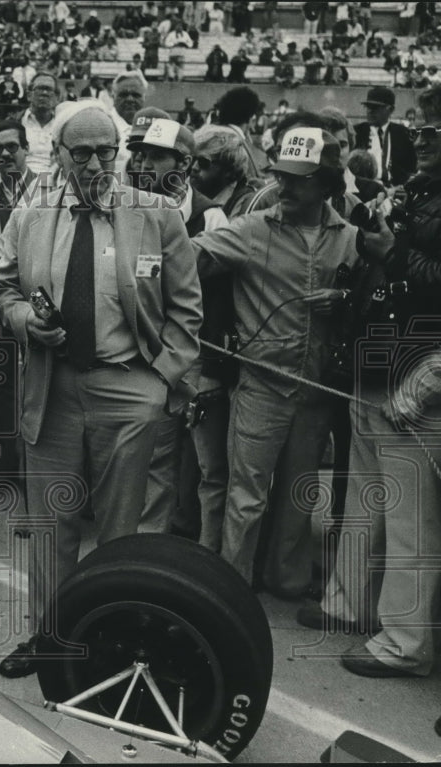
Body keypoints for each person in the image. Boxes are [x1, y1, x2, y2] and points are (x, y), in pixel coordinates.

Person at [0, 99, 202, 678]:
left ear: (118, 154)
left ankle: (111, 639)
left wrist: (160, 382)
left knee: (121, 529)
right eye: (79, 152)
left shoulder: (157, 215)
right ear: (56, 155)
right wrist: (23, 322)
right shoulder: (31, 213)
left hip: (129, 386)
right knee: (49, 525)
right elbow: (4, 289)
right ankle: (50, 636)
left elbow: (187, 312)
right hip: (52, 386)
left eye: (104, 152)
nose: (93, 163)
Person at [191, 127, 385, 598]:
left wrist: (343, 296)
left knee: (300, 496)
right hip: (261, 384)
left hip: (318, 391)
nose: (286, 187)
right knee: (246, 497)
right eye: (281, 176)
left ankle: (286, 579)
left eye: (299, 179)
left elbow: (376, 296)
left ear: (328, 185)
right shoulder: (251, 229)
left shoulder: (355, 238)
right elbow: (186, 259)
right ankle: (231, 586)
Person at [299, 85, 441, 680]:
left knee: (410, 518)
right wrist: (352, 291)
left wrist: (394, 252)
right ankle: (347, 605)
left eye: (437, 127)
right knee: (362, 496)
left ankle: (405, 643)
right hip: (377, 359)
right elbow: (388, 265)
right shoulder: (421, 190)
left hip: (420, 374)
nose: (425, 135)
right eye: (425, 124)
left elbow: (422, 273)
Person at [128, 119, 228, 537]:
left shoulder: (211, 217)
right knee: (146, 454)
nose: (142, 163)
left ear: (184, 163)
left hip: (190, 356)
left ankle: (183, 550)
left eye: (154, 155)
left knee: (193, 462)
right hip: (136, 354)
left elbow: (218, 299)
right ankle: (141, 540)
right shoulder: (125, 207)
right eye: (140, 154)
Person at [354, 86, 417, 188]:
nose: (370, 111)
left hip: (395, 189)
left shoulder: (403, 134)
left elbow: (411, 167)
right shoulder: (357, 132)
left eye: (376, 107)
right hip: (362, 188)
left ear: (391, 109)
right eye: (368, 107)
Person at [17, 72, 59, 180]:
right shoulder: (16, 122)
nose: (44, 93)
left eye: (49, 89)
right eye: (40, 88)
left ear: (56, 97)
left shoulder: (62, 125)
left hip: (54, 184)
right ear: (29, 95)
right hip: (19, 180)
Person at [107, 72, 146, 176]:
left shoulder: (151, 127)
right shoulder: (104, 125)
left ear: (144, 98)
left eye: (136, 95)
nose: (130, 99)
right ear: (113, 97)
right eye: (123, 95)